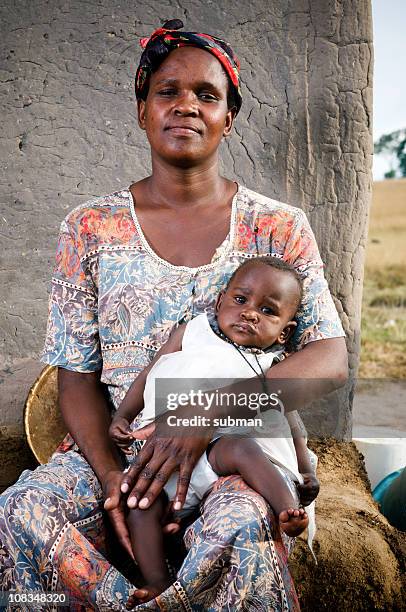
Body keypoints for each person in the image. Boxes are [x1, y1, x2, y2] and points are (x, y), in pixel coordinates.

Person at [0, 19, 347, 611]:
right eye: (168, 91)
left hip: (233, 444)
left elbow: (329, 358)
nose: (186, 106)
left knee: (243, 526)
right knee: (21, 510)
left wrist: (210, 410)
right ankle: (140, 603)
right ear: (143, 110)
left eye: (207, 95)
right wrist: (112, 475)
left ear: (228, 118)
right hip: (126, 452)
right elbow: (76, 377)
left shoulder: (278, 227)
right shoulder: (90, 228)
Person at [109, 257, 320, 604]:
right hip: (163, 458)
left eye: (267, 311)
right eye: (241, 300)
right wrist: (123, 414)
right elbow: (152, 371)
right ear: (220, 300)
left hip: (217, 451)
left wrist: (305, 470)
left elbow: (291, 421)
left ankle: (286, 512)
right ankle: (157, 582)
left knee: (243, 448)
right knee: (137, 501)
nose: (250, 313)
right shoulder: (193, 332)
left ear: (284, 331)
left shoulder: (271, 365)